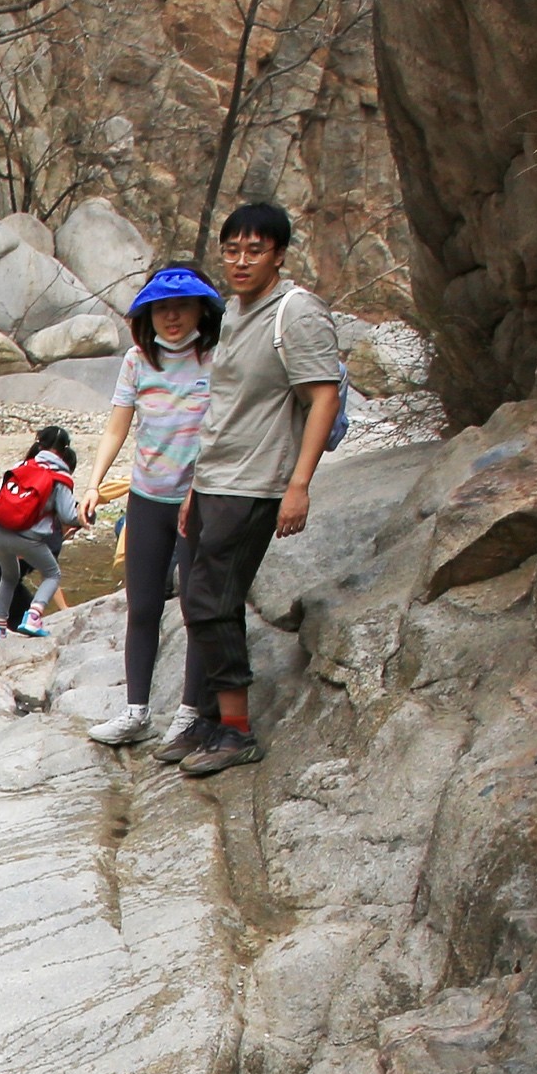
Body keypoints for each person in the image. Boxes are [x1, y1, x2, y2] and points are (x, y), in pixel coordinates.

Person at [167, 204, 343, 780]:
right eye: (233, 250)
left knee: (211, 600)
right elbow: (223, 408)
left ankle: (237, 731)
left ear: (279, 255)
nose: (241, 262)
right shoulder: (237, 313)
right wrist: (196, 483)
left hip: (258, 481)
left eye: (255, 250)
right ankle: (215, 717)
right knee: (203, 599)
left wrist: (299, 485)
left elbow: (323, 398)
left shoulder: (295, 313)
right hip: (219, 478)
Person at [80, 268, 223, 748]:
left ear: (202, 308)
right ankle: (136, 711)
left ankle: (187, 714)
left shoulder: (217, 358)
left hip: (197, 500)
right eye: (162, 308)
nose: (172, 316)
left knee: (195, 606)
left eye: (182, 306)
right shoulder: (137, 360)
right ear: (148, 315)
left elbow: (228, 432)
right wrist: (94, 483)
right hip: (146, 499)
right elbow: (117, 427)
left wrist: (201, 489)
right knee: (141, 606)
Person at [0, 427, 80, 636]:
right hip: (28, 539)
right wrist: (86, 515)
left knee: (8, 577)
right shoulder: (61, 478)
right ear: (64, 451)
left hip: (0, 533)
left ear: (39, 444)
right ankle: (34, 616)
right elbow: (69, 516)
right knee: (52, 574)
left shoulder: (22, 466)